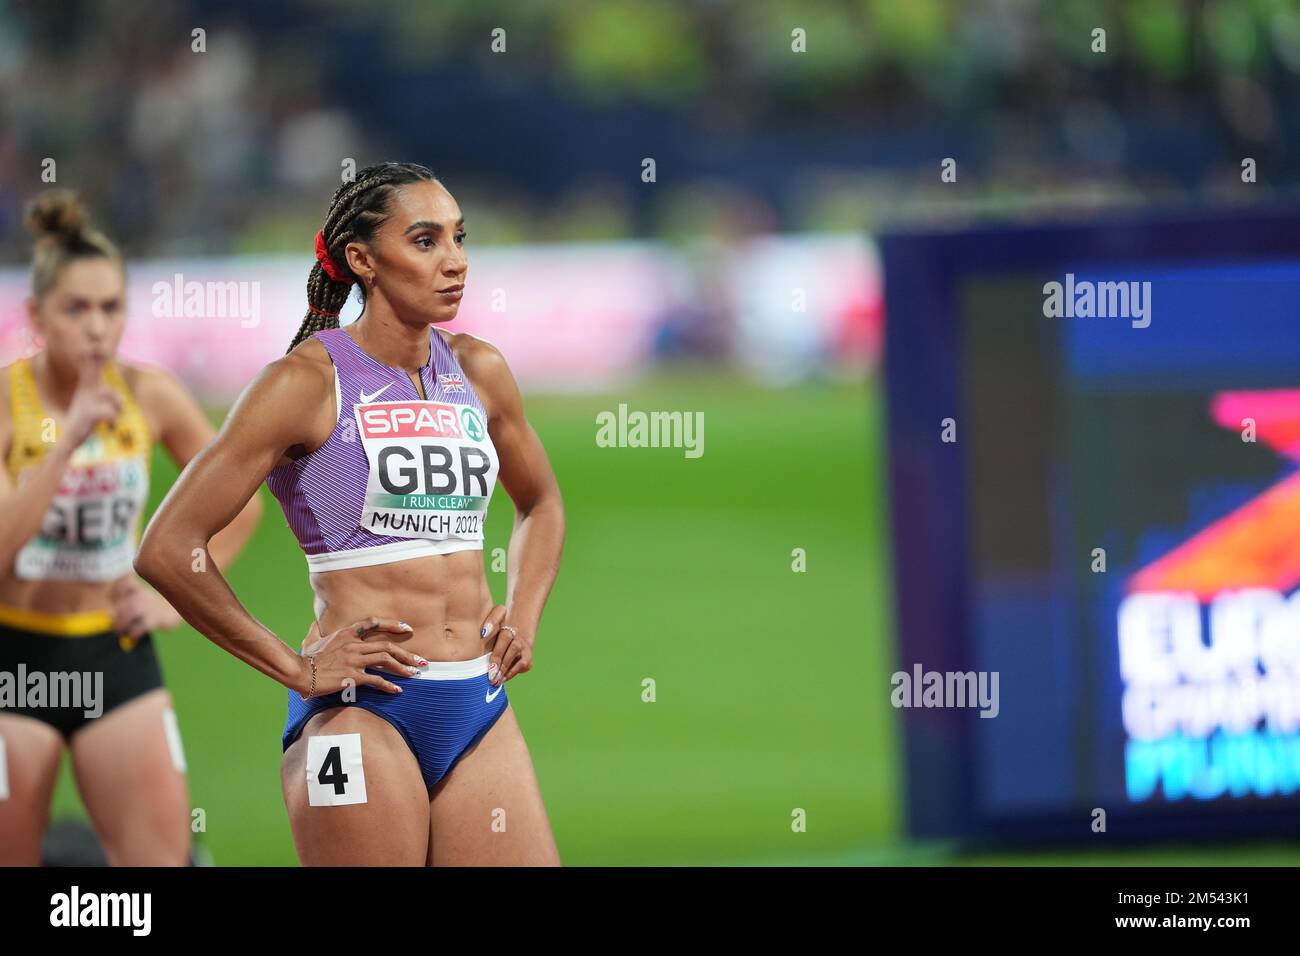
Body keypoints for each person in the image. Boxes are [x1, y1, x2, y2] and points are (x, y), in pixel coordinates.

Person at [136, 162, 565, 866]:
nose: (454, 262)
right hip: (364, 713)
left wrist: (525, 609)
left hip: (477, 704)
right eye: (425, 241)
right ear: (363, 259)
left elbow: (541, 502)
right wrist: (295, 668)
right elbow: (167, 546)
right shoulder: (304, 382)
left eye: (459, 237)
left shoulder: (479, 371)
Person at [0, 190, 262, 865]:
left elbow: (241, 504)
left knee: (161, 864)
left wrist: (169, 596)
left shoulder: (151, 395)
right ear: (36, 316)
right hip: (16, 659)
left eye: (110, 308)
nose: (95, 327)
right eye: (75, 309)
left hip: (113, 654)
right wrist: (67, 442)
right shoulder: (9, 404)